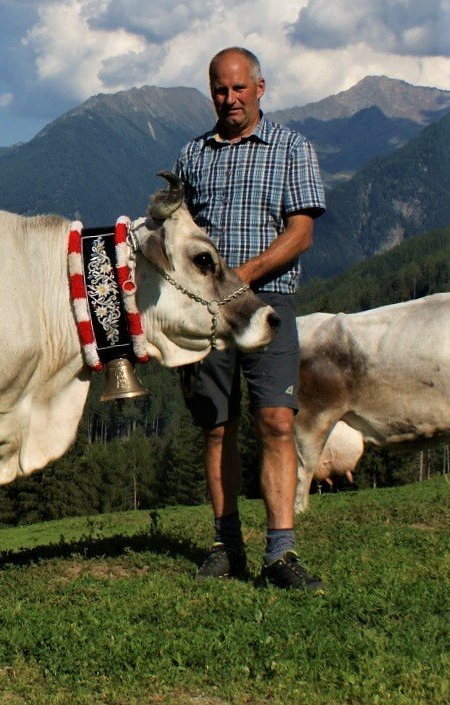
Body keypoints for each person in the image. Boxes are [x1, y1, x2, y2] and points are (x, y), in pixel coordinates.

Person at [173, 47, 326, 590]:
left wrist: (242, 276)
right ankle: (226, 545)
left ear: (261, 87)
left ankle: (280, 552)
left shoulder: (291, 148)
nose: (230, 99)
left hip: (268, 304)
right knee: (216, 426)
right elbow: (178, 235)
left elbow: (301, 231)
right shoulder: (193, 154)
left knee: (277, 421)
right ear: (211, 91)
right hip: (208, 315)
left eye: (240, 88)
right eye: (220, 89)